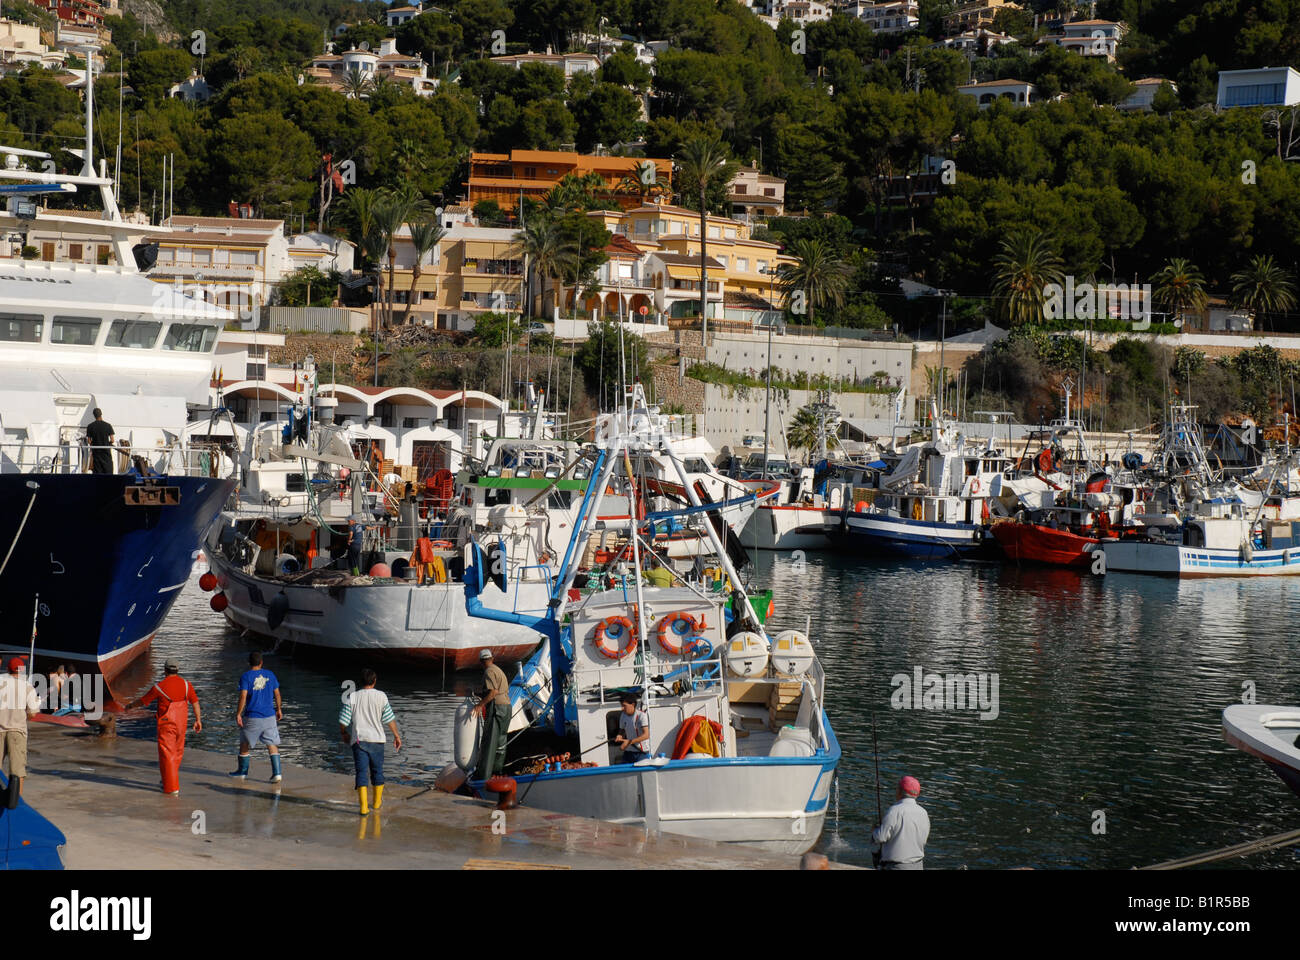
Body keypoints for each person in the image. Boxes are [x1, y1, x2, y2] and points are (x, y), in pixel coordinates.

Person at [126, 659, 202, 796]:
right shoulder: (187, 685)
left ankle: (171, 787)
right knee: (177, 753)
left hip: (167, 724)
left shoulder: (159, 687)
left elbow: (143, 701)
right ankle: (168, 780)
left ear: (165, 670)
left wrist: (130, 706)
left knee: (167, 755)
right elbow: (195, 703)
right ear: (177, 670)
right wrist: (198, 720)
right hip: (181, 723)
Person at [338, 668, 400, 815]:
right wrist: (397, 735)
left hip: (359, 741)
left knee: (361, 773)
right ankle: (377, 803)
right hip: (378, 740)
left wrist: (343, 732)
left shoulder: (352, 697)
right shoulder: (382, 696)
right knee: (377, 771)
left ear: (360, 682)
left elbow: (343, 720)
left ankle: (363, 807)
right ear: (374, 681)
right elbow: (389, 719)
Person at [230, 652, 283, 783]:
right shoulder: (270, 674)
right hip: (270, 715)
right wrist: (279, 709)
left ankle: (242, 772)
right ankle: (277, 773)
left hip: (252, 716)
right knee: (271, 743)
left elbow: (243, 696)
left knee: (244, 742)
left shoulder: (246, 676)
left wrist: (238, 713)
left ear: (249, 663)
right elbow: (277, 694)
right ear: (261, 662)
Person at [0, 657, 41, 801]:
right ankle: (16, 801)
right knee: (17, 770)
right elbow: (33, 712)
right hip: (17, 731)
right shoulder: (27, 686)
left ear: (7, 669)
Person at [872, 775, 930, 870]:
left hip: (896, 867)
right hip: (918, 866)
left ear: (899, 791)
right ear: (917, 794)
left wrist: (875, 830)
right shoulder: (924, 813)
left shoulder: (894, 811)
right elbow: (923, 839)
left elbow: (880, 837)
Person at [474, 649, 510, 781]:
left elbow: (493, 692)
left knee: (490, 742)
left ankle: (484, 776)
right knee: (500, 742)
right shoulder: (497, 669)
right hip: (506, 707)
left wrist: (480, 705)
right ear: (492, 658)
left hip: (497, 708)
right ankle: (497, 772)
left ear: (481, 662)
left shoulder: (489, 671)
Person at [612, 692, 649, 763]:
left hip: (641, 752)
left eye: (624, 706)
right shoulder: (623, 715)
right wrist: (619, 736)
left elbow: (646, 735)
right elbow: (622, 730)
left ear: (633, 704)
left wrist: (629, 742)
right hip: (628, 752)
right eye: (621, 706)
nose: (622, 708)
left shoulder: (641, 716)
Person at [85, 408, 115, 475]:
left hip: (96, 453)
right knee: (108, 470)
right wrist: (108, 443)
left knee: (98, 472)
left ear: (94, 415)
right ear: (101, 414)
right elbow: (112, 440)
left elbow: (89, 441)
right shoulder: (108, 425)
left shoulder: (90, 426)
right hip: (106, 452)